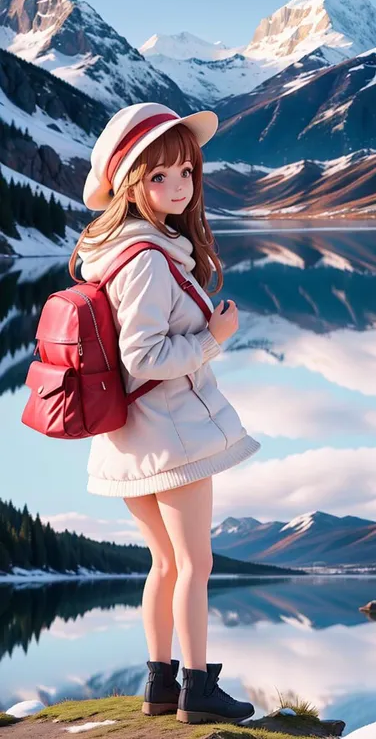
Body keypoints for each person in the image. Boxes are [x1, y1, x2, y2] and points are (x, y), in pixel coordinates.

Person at [71, 102, 261, 724]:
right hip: (172, 436)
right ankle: (198, 691)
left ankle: (158, 684)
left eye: (186, 172)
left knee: (165, 563)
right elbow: (146, 355)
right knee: (195, 566)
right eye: (160, 177)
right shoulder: (149, 259)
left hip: (126, 436)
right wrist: (217, 335)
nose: (178, 187)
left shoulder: (114, 250)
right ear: (130, 182)